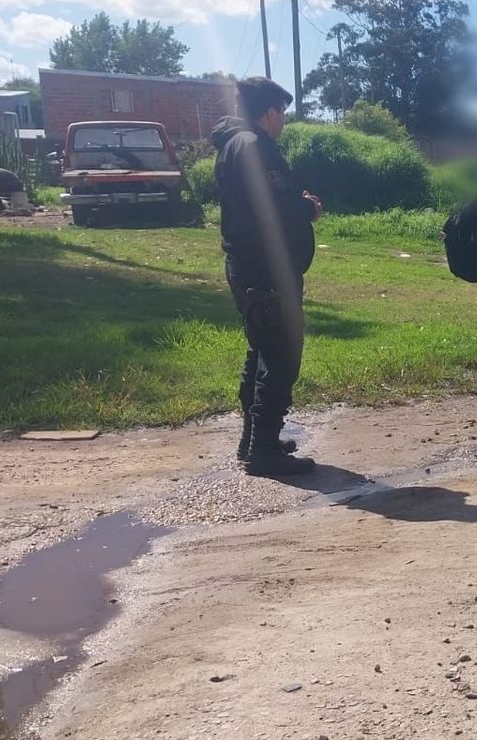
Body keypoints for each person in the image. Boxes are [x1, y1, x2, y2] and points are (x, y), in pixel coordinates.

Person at [210, 77, 324, 476]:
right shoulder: (257, 148)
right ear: (271, 112)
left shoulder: (231, 145)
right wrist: (306, 207)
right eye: (283, 114)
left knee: (260, 352)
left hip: (248, 266)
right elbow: (274, 208)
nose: (284, 122)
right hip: (266, 268)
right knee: (280, 356)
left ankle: (255, 441)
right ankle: (263, 452)